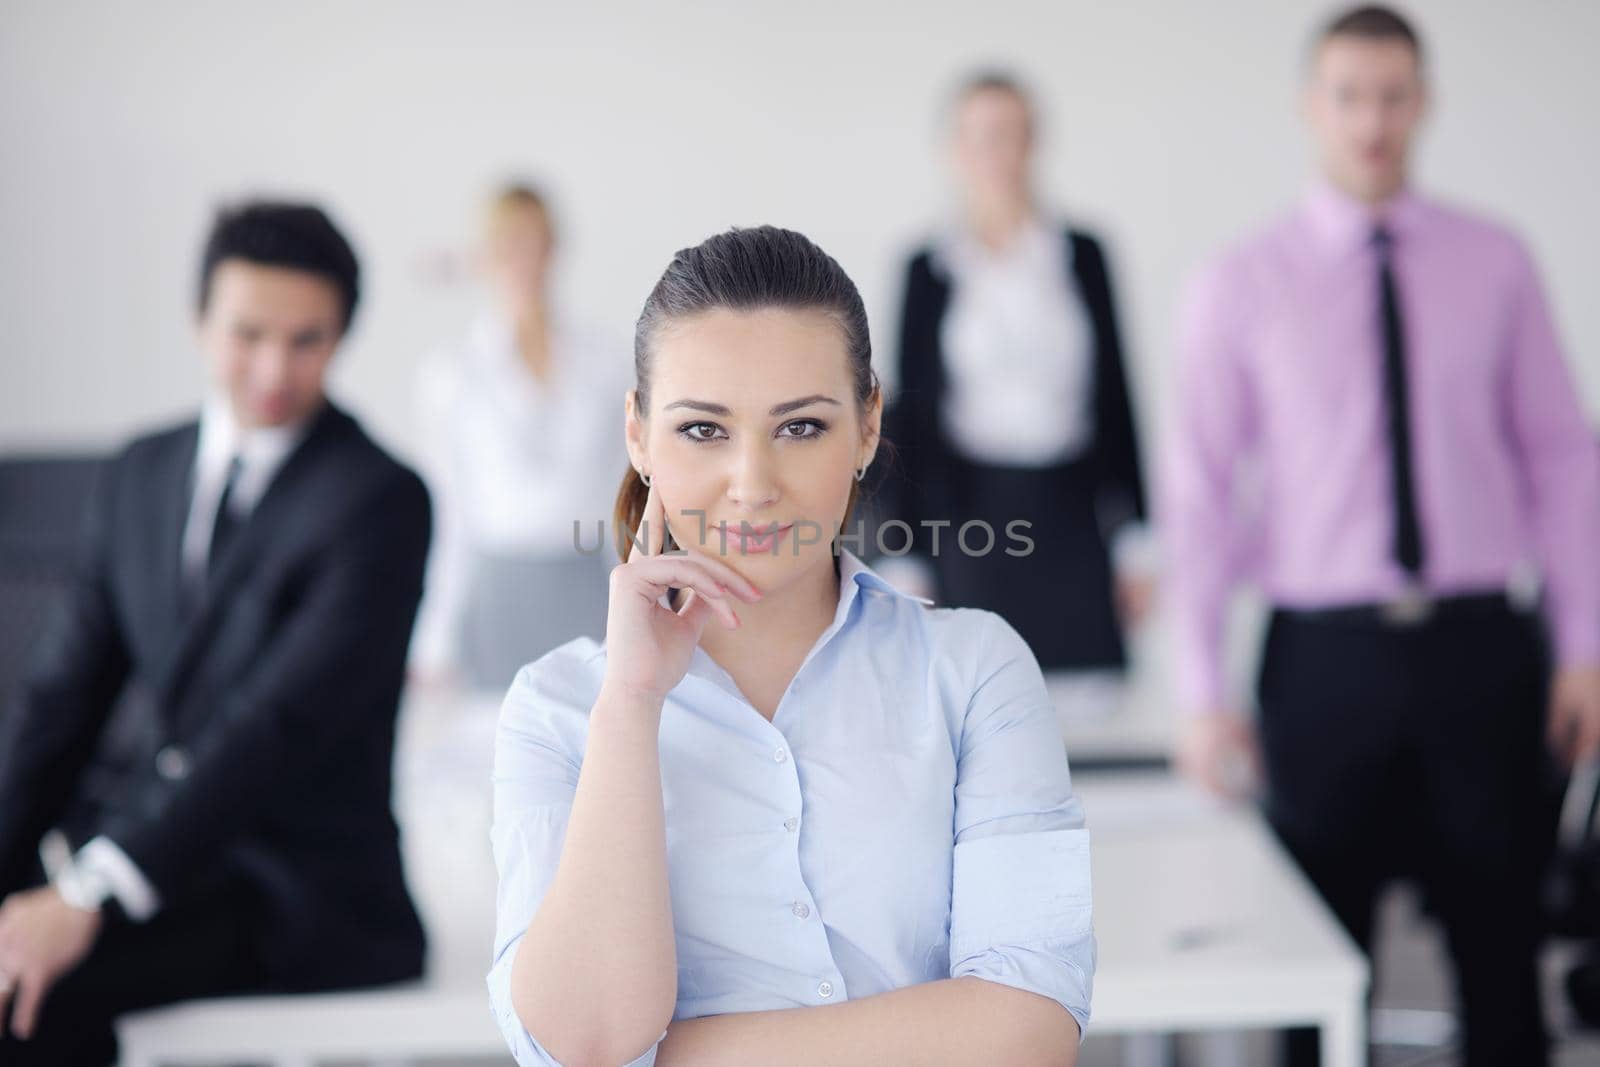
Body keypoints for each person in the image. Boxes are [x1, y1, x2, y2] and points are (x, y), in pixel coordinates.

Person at [487, 226, 1094, 1066]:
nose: (753, 483)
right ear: (637, 433)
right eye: (703, 430)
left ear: (868, 425)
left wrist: (675, 1054)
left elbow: (1028, 1031)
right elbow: (583, 1040)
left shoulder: (975, 670)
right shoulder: (558, 708)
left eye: (802, 427)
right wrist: (631, 702)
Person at [1163, 7, 1600, 1065]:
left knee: (1501, 961)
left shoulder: (1493, 261)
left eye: (1393, 94)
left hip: (1483, 650)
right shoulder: (1241, 278)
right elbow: (1199, 495)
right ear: (1311, 108)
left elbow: (1561, 455)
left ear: (1424, 102)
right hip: (1324, 661)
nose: (1372, 120)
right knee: (1318, 972)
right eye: (1349, 95)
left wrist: (1584, 645)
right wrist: (1198, 690)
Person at [0, 201, 431, 1064]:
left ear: (341, 337)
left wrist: (88, 890)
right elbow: (63, 696)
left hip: (291, 887)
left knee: (29, 998)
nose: (275, 367)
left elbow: (274, 725)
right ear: (200, 323)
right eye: (249, 333)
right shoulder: (140, 471)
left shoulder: (380, 498)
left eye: (308, 339)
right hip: (156, 853)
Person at [874, 69, 1152, 728]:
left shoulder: (1082, 254)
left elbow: (1117, 395)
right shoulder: (926, 267)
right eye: (979, 136)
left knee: (1085, 717)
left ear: (1035, 143)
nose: (996, 152)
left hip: (1072, 515)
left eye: (1011, 134)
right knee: (976, 711)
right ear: (952, 149)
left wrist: (1140, 537)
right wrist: (906, 551)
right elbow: (906, 414)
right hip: (972, 521)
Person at [411, 182, 629, 692]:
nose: (525, 259)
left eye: (537, 242)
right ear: (483, 255)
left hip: (584, 582)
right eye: (508, 243)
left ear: (555, 248)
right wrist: (433, 635)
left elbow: (629, 495)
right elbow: (448, 508)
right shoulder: (451, 374)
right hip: (495, 592)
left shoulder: (607, 364)